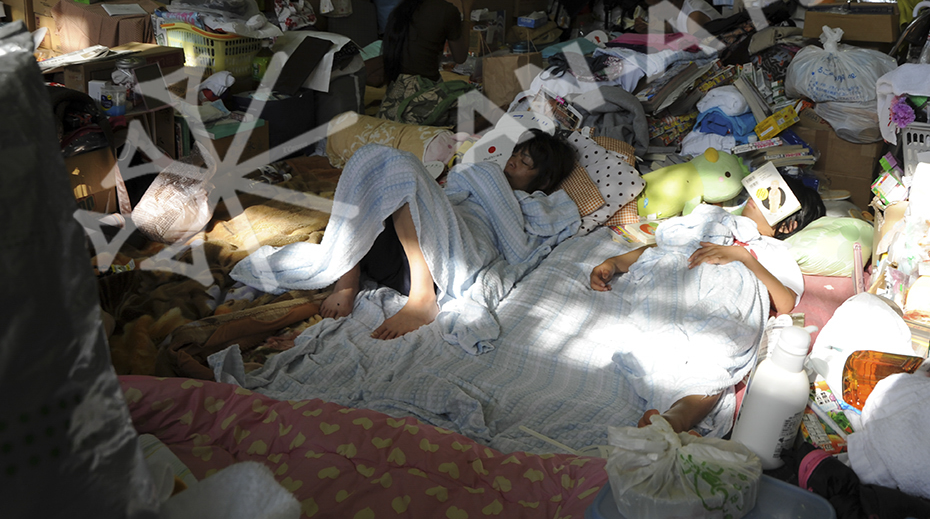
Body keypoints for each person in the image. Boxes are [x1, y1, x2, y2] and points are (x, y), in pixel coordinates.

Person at [590, 176, 822, 434]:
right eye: (758, 191)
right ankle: (662, 396)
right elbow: (663, 250)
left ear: (788, 225)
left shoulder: (772, 251)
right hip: (679, 285)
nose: (756, 197)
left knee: (715, 352)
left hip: (728, 298)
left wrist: (744, 258)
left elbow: (785, 301)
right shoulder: (714, 222)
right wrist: (614, 263)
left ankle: (677, 418)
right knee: (653, 335)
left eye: (769, 199)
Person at [319, 129, 576, 341]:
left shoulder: (535, 204)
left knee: (403, 167)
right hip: (394, 252)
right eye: (516, 155)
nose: (512, 162)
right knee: (371, 162)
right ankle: (348, 281)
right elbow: (451, 191)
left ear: (543, 181)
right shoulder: (478, 177)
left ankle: (422, 301)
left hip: (437, 264)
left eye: (525, 163)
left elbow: (524, 245)